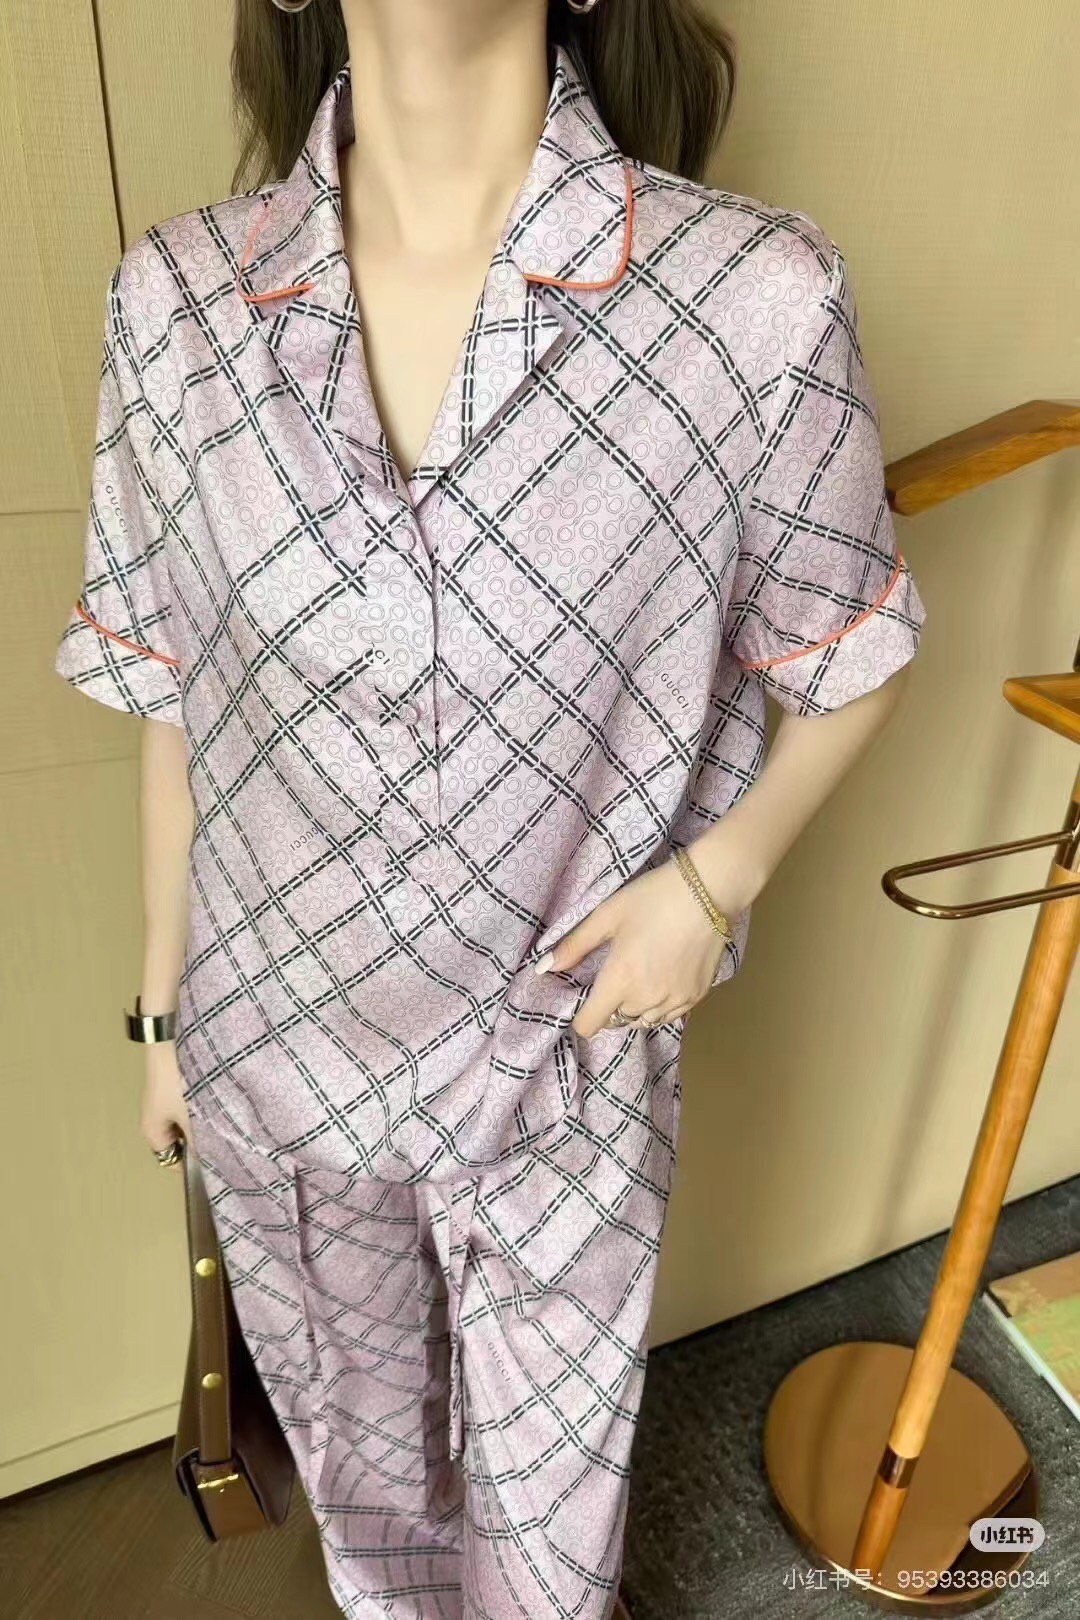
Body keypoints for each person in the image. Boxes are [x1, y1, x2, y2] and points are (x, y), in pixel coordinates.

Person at [53, 1, 927, 1615]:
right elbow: (178, 701)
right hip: (278, 1050)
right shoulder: (173, 304)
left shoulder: (749, 300)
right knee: (370, 1503)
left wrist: (712, 887)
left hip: (560, 1051)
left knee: (548, 1527)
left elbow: (854, 648)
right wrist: (164, 1019)